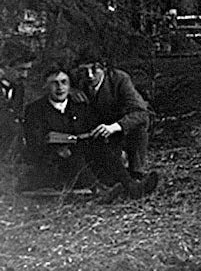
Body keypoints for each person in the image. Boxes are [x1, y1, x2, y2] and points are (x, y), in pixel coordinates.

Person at [20, 67, 156, 200]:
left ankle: (132, 186)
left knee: (100, 149)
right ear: (45, 86)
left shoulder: (79, 106)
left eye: (64, 82)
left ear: (70, 86)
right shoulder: (35, 110)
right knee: (72, 157)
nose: (60, 87)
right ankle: (101, 192)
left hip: (82, 153)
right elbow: (34, 142)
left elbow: (91, 129)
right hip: (54, 160)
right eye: (54, 83)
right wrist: (55, 147)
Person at [75, 52, 155, 180]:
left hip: (120, 131)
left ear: (104, 68)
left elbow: (141, 113)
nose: (89, 75)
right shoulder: (76, 84)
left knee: (139, 129)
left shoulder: (119, 80)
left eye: (95, 70)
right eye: (84, 71)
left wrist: (115, 127)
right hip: (94, 135)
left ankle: (136, 173)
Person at [0, 44, 34, 160]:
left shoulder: (18, 88)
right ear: (4, 67)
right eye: (20, 70)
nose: (25, 75)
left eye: (27, 70)